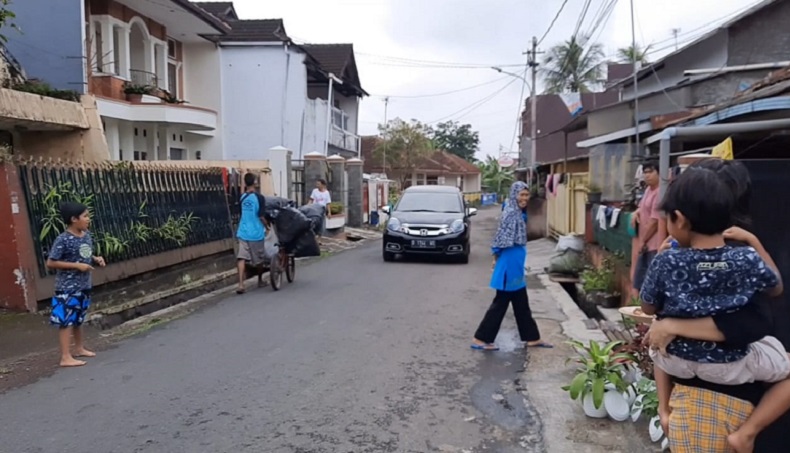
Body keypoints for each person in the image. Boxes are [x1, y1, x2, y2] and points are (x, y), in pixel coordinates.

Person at [644, 158, 790, 453]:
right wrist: (753, 244)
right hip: (728, 367)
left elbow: (649, 308)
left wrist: (669, 320)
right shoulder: (743, 257)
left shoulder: (667, 258)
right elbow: (775, 287)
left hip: (677, 363)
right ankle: (747, 433)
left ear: (679, 219)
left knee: (657, 335)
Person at [471, 181, 551, 351]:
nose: (525, 198)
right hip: (509, 264)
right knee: (500, 304)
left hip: (515, 263)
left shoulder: (518, 212)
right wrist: (495, 257)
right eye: (521, 195)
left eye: (526, 195)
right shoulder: (510, 214)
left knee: (521, 303)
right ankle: (480, 339)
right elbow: (500, 238)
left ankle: (532, 338)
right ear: (514, 195)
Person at [45, 201, 106, 367]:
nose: (88, 219)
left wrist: (95, 258)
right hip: (67, 287)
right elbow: (51, 262)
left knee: (79, 318)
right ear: (73, 219)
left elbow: (84, 254)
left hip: (84, 285)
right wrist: (76, 266)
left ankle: (79, 348)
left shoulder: (86, 235)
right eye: (85, 216)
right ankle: (65, 357)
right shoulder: (62, 239)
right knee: (66, 321)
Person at [631, 160, 663, 296]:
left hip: (654, 244)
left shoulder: (660, 192)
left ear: (659, 173)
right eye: (645, 172)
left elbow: (655, 221)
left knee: (651, 281)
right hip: (646, 244)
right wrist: (636, 212)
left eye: (651, 172)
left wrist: (643, 241)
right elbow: (643, 206)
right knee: (640, 280)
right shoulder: (649, 190)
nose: (647, 175)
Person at [236, 173, 267, 295]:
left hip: (243, 231)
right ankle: (260, 280)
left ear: (245, 183)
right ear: (255, 182)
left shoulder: (242, 197)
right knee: (259, 259)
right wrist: (267, 226)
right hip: (256, 233)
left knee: (241, 258)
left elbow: (241, 213)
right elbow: (261, 216)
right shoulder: (259, 198)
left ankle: (241, 284)